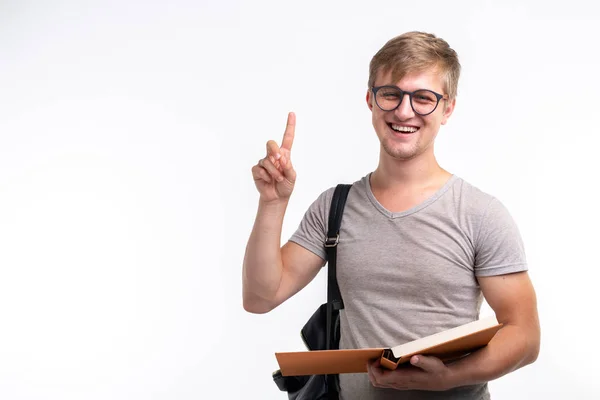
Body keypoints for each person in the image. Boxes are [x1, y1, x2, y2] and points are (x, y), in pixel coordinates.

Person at [242, 31, 540, 400]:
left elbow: (525, 337)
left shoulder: (481, 214)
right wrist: (272, 203)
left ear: (448, 109)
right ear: (370, 100)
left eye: (424, 98)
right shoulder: (334, 207)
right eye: (391, 94)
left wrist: (448, 377)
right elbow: (260, 297)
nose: (404, 111)